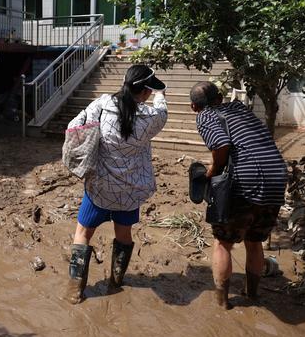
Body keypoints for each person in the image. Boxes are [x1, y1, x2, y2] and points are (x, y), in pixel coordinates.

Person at [64, 65, 168, 304]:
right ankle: (117, 279)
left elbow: (81, 127)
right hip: (130, 190)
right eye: (150, 91)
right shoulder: (152, 118)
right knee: (124, 234)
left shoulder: (101, 105)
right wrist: (162, 93)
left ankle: (74, 290)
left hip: (99, 187)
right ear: (145, 92)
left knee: (82, 234)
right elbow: (162, 110)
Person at [190, 81, 287, 309]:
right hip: (277, 177)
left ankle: (222, 303)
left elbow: (221, 146)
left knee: (223, 243)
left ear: (194, 107)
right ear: (220, 98)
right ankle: (252, 295)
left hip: (246, 181)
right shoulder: (240, 109)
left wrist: (212, 171)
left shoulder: (205, 116)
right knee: (254, 241)